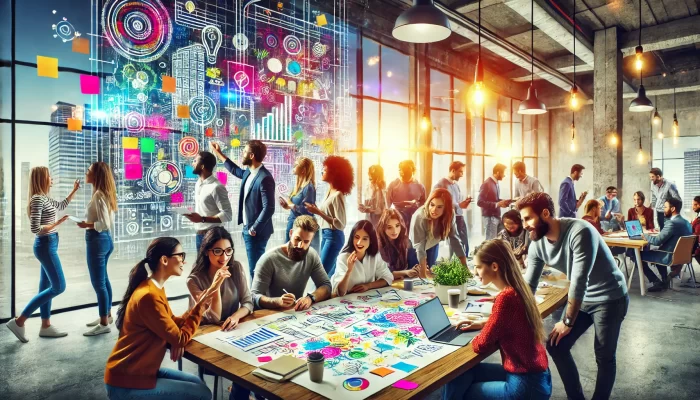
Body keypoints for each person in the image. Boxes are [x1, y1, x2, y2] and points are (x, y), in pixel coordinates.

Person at [517, 192, 629, 400]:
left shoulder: (580, 231)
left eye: (527, 218)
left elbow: (579, 281)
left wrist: (567, 321)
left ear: (545, 213)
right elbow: (528, 286)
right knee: (556, 346)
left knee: (604, 356)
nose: (524, 225)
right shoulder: (537, 244)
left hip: (610, 297)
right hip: (584, 300)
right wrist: (513, 316)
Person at [104, 237, 223, 400]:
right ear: (164, 260)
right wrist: (203, 303)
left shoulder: (154, 288)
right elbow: (180, 338)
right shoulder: (149, 296)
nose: (184, 261)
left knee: (198, 383)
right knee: (202, 394)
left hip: (141, 371)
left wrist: (200, 305)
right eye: (180, 255)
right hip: (126, 382)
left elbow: (173, 324)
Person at [444, 240, 551, 400]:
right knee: (459, 374)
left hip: (525, 386)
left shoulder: (506, 298)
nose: (475, 272)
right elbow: (510, 322)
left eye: (478, 267)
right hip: (536, 376)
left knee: (463, 392)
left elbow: (481, 345)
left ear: (494, 266)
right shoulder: (518, 289)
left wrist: (471, 338)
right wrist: (483, 323)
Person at [6, 167, 80, 343]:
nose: (51, 178)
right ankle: (19, 321)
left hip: (50, 243)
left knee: (45, 285)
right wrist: (56, 223)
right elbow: (35, 229)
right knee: (59, 286)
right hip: (45, 245)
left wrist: (74, 190)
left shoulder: (45, 198)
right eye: (49, 176)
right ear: (42, 178)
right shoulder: (37, 199)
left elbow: (61, 205)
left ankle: (45, 326)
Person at [186, 227, 253, 400]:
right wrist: (216, 283)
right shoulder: (194, 279)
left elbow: (248, 302)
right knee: (243, 368)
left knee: (252, 362)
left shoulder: (236, 267)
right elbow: (214, 316)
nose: (224, 257)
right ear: (207, 252)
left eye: (228, 250)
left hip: (233, 330)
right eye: (218, 251)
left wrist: (235, 316)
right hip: (206, 338)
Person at [211, 141, 275, 279]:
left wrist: (254, 228)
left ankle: (256, 298)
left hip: (256, 231)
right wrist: (219, 153)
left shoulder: (265, 178)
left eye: (245, 151)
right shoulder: (249, 172)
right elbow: (235, 170)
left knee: (256, 270)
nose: (242, 153)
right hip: (249, 228)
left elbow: (269, 208)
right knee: (255, 268)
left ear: (251, 155)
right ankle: (258, 296)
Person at [251, 216, 331, 311]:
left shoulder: (312, 255)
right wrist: (278, 301)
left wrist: (310, 298)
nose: (300, 245)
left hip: (294, 313)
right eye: (297, 239)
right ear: (291, 233)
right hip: (270, 314)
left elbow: (326, 286)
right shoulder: (268, 259)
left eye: (306, 241)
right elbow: (254, 297)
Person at [77, 162, 118, 337]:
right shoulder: (102, 194)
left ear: (96, 176)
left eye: (89, 171)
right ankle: (107, 316)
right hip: (104, 241)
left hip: (97, 240)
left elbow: (104, 224)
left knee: (98, 283)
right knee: (103, 280)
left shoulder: (99, 195)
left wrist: (85, 224)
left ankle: (103, 323)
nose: (86, 172)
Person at [305, 155, 354, 276]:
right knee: (326, 273)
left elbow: (340, 223)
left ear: (334, 173)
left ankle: (320, 294)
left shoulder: (338, 195)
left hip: (334, 236)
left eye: (325, 170)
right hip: (326, 234)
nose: (322, 172)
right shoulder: (329, 191)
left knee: (321, 272)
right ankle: (331, 293)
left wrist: (318, 212)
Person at [634, 197, 692, 292]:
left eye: (665, 207)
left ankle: (656, 281)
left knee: (636, 255)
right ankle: (665, 281)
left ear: (672, 209)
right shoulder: (686, 222)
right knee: (655, 250)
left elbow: (657, 241)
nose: (663, 210)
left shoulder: (672, 223)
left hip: (668, 256)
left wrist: (643, 235)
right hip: (682, 256)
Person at [410, 188, 467, 278]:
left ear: (446, 208)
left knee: (432, 274)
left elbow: (454, 239)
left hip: (432, 244)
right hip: (414, 249)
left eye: (439, 207)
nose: (434, 210)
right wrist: (423, 275)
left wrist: (465, 268)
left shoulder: (450, 214)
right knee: (416, 276)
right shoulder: (420, 216)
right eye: (432, 205)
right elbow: (420, 247)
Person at [183, 151, 233, 253]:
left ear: (202, 166)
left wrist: (202, 219)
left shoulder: (217, 187)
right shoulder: (198, 183)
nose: (192, 163)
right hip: (199, 234)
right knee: (201, 267)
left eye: (195, 161)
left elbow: (228, 214)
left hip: (213, 236)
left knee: (212, 268)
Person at [332, 220, 394, 296]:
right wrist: (349, 271)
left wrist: (369, 286)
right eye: (356, 237)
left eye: (364, 239)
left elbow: (388, 278)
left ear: (371, 240)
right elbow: (340, 292)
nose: (359, 242)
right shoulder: (343, 257)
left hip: (368, 299)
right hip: (348, 300)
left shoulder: (375, 255)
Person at [278, 157, 319, 252]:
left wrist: (290, 203)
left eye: (296, 165)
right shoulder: (299, 186)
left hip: (299, 227)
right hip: (292, 223)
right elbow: (296, 206)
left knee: (293, 252)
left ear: (303, 170)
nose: (293, 166)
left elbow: (308, 211)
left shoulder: (309, 188)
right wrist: (287, 206)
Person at [434, 161, 471, 258]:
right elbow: (435, 201)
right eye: (460, 172)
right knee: (455, 242)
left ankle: (463, 263)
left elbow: (457, 202)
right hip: (450, 217)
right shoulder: (441, 184)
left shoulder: (456, 185)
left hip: (459, 216)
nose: (462, 175)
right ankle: (454, 264)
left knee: (464, 240)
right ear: (453, 171)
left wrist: (464, 203)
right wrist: (458, 205)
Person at [376, 209, 420, 280]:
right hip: (384, 283)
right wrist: (405, 272)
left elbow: (413, 264)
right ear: (383, 228)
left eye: (397, 226)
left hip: (405, 280)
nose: (394, 231)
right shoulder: (378, 246)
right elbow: (382, 273)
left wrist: (417, 268)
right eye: (389, 227)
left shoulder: (406, 241)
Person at [386, 160, 426, 229]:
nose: (404, 177)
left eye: (407, 174)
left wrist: (415, 204)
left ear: (413, 172)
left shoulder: (420, 186)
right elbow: (387, 206)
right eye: (402, 174)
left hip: (414, 220)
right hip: (397, 219)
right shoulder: (393, 185)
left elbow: (423, 205)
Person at [477, 163, 511, 240]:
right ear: (498, 172)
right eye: (503, 173)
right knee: (490, 242)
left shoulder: (496, 183)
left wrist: (503, 202)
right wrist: (497, 204)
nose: (504, 175)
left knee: (501, 240)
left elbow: (494, 200)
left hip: (496, 216)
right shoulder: (486, 184)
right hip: (490, 218)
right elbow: (479, 202)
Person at [692, 196, 700, 265]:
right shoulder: (698, 216)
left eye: (695, 204)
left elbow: (696, 233)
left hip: (696, 247)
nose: (693, 207)